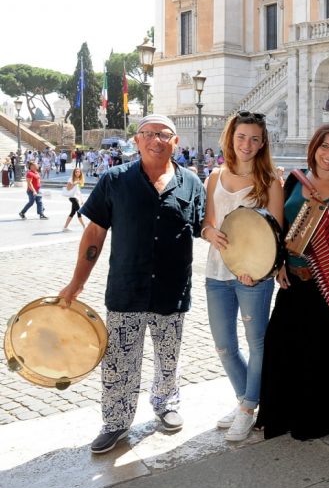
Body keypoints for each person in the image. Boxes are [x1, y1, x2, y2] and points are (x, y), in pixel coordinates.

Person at [58, 114, 205, 454]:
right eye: (148, 134)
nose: (156, 140)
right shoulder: (114, 180)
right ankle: (115, 421)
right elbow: (94, 234)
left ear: (175, 142)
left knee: (169, 356)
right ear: (136, 141)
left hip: (172, 290)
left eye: (164, 134)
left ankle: (166, 403)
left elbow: (206, 228)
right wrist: (76, 283)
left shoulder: (191, 183)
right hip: (127, 289)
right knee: (119, 362)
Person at [257, 124, 329, 440]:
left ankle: (318, 420)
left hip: (328, 287)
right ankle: (281, 416)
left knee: (322, 356)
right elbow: (280, 226)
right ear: (314, 147)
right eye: (325, 146)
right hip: (294, 281)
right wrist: (279, 263)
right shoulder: (295, 180)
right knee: (282, 346)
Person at [201, 111, 282, 442]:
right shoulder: (214, 176)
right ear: (230, 138)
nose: (247, 144)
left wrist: (259, 271)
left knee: (257, 342)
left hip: (253, 276)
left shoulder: (270, 181)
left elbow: (276, 235)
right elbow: (207, 222)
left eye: (254, 139)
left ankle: (248, 408)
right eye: (241, 137)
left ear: (262, 143)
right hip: (217, 271)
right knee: (224, 345)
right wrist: (209, 233)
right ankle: (246, 399)